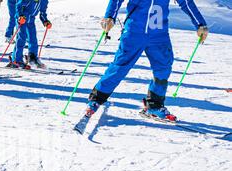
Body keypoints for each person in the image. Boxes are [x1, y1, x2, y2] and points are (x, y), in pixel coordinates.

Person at [75, 0, 209, 130]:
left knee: (163, 68)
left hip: (159, 35)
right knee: (120, 67)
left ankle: (154, 106)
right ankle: (96, 99)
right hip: (134, 32)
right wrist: (110, 16)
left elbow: (186, 2)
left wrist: (200, 24)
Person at [7, 0, 51, 69]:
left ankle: (32, 57)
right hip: (22, 19)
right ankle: (16, 59)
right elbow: (18, 6)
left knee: (33, 38)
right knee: (22, 37)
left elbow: (43, 12)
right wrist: (20, 16)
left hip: (31, 20)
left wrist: (45, 21)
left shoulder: (44, 1)